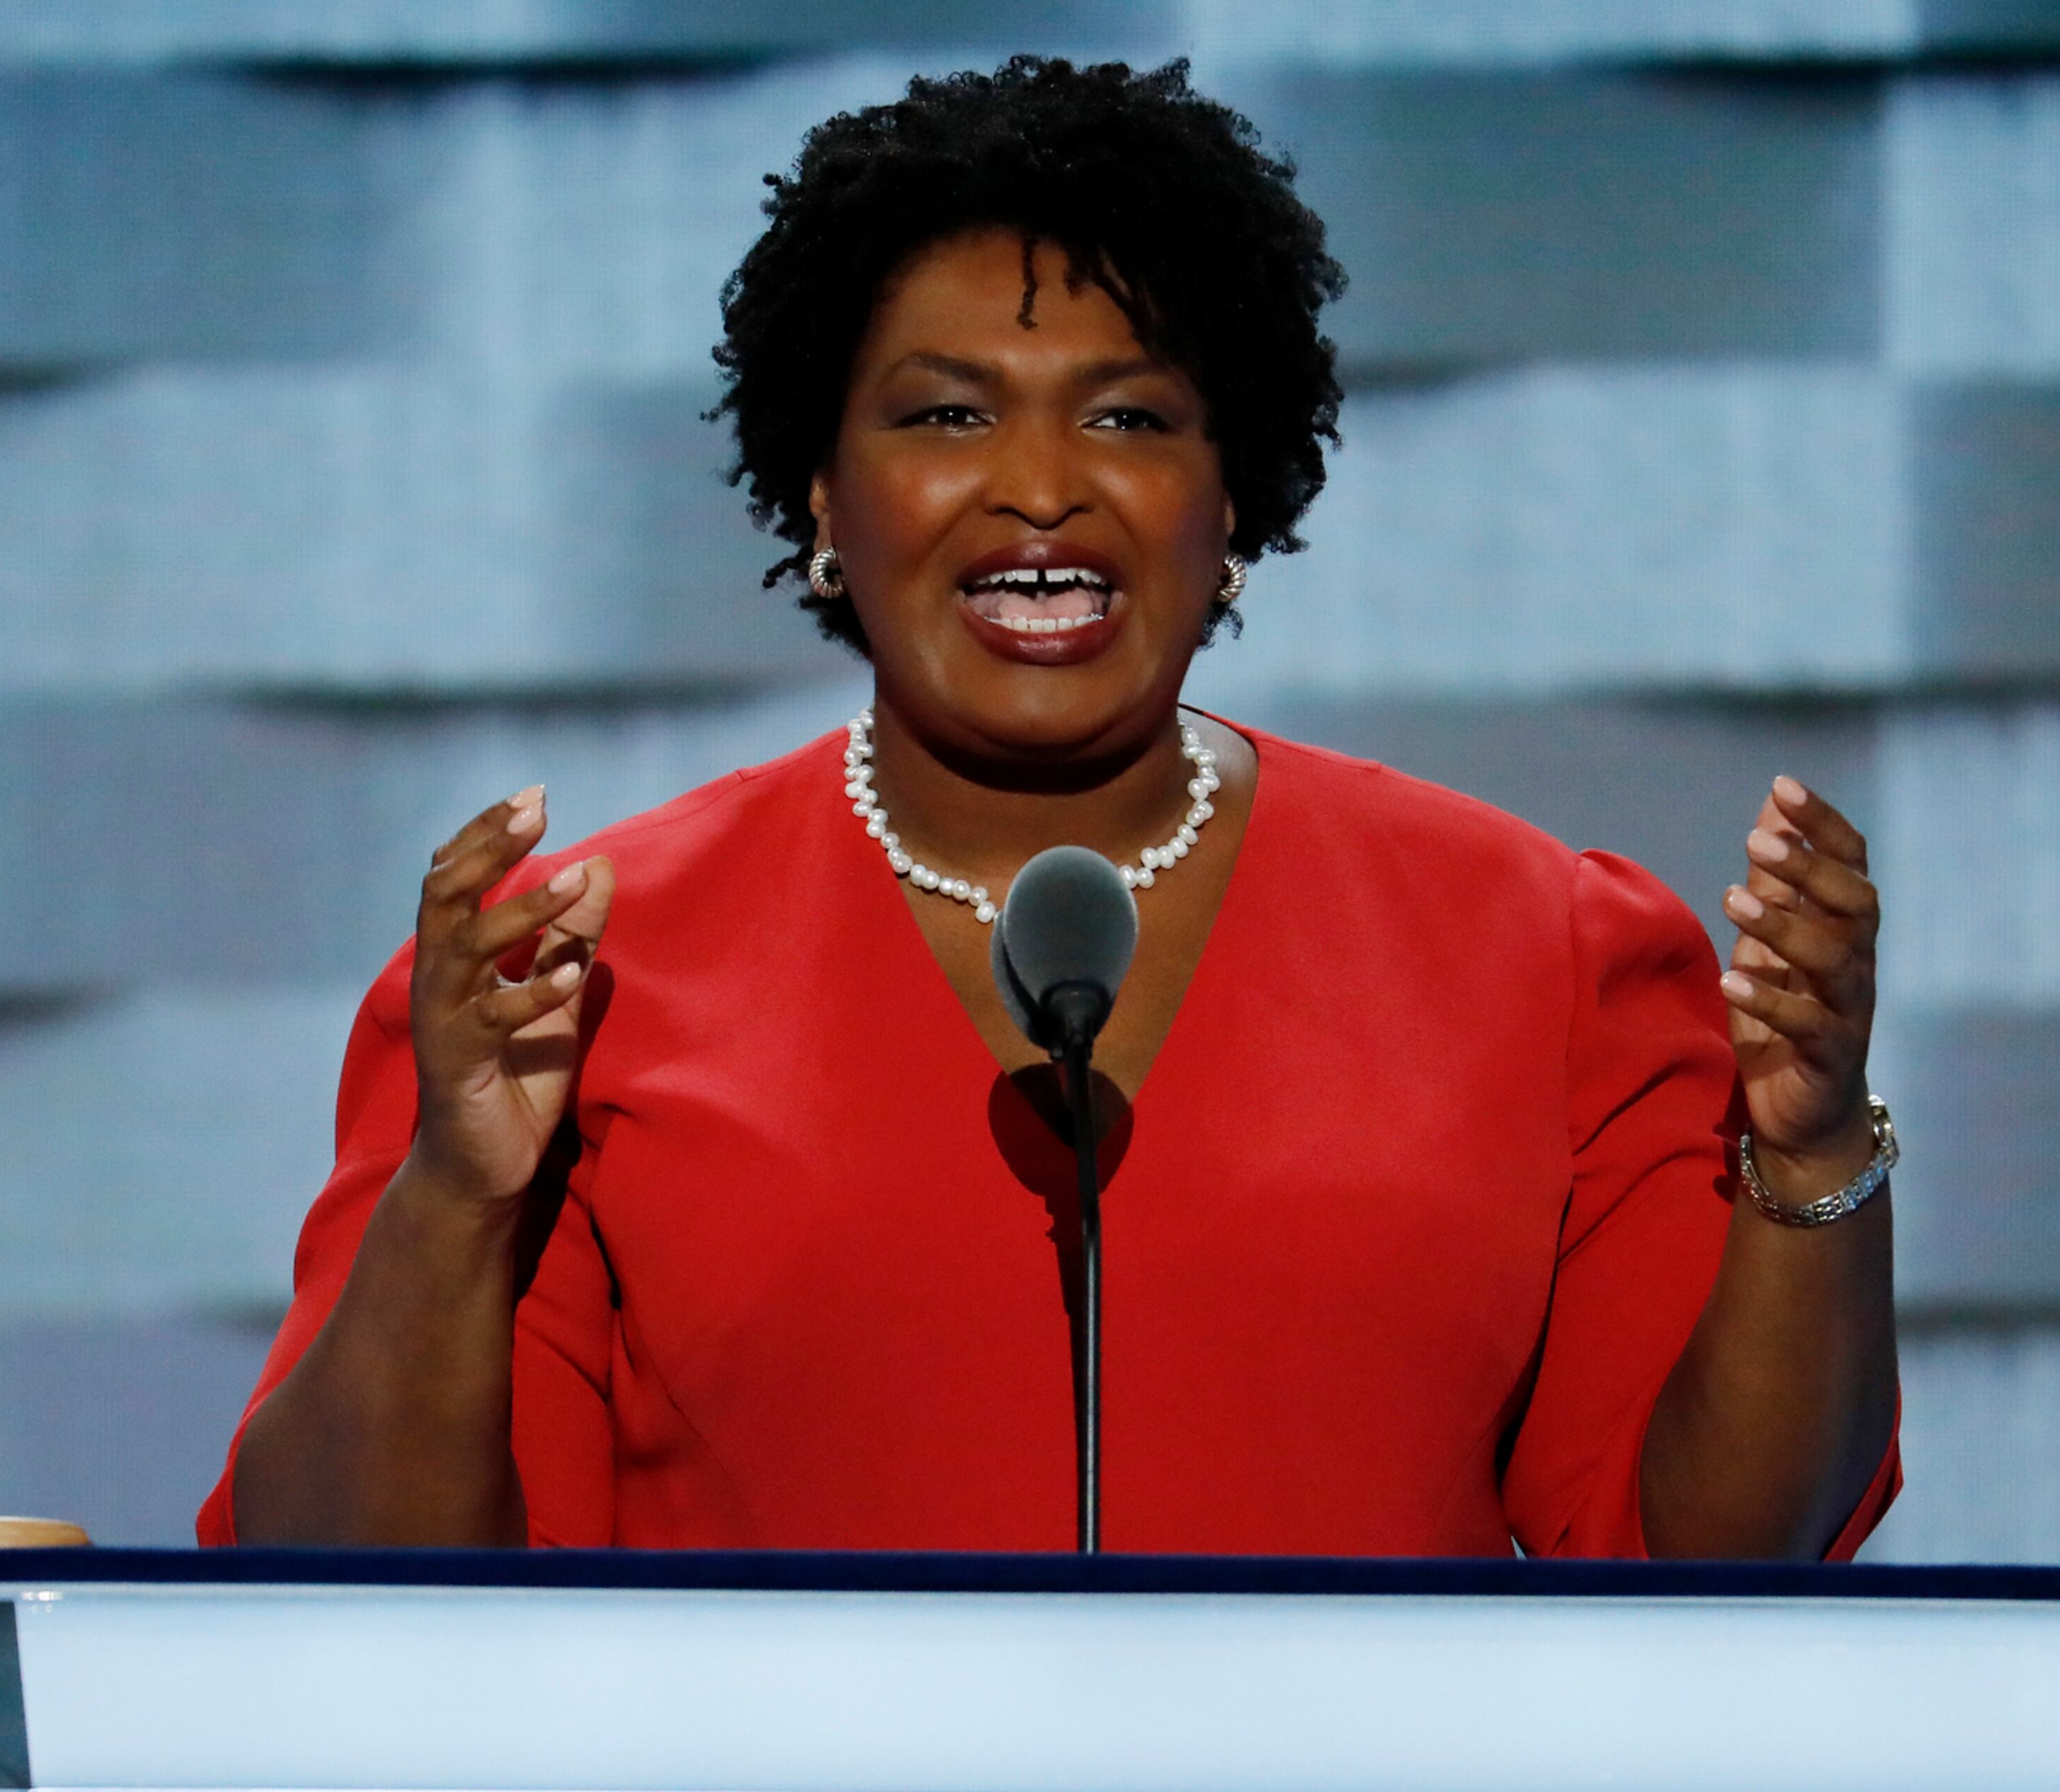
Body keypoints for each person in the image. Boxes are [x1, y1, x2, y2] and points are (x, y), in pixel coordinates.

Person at [203, 57, 1899, 1558]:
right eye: (945, 413)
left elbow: (1708, 1558)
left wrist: (1809, 1156)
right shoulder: (569, 976)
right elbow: (351, 1592)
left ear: (1232, 494)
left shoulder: (1548, 949)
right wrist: (458, 1189)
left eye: (1130, 415)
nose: (1040, 485)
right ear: (820, 487)